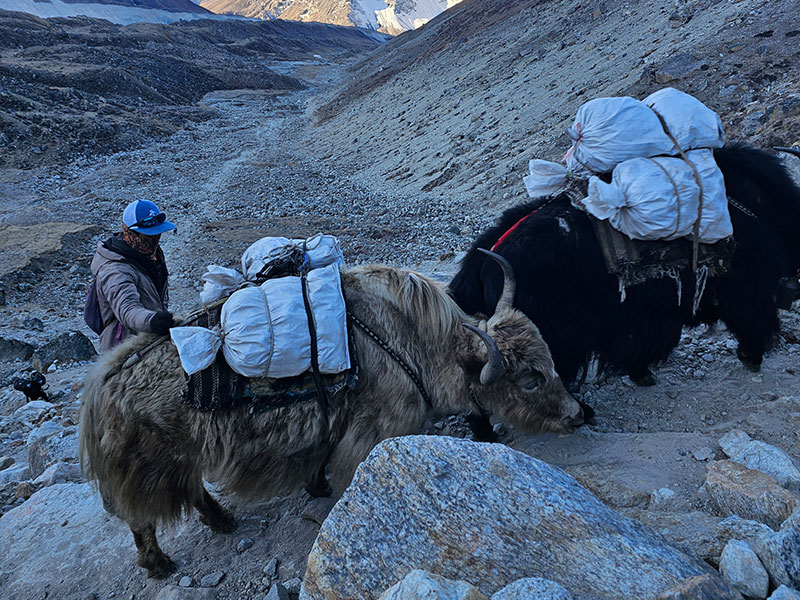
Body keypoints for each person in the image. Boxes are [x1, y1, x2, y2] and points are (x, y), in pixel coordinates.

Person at [90, 199, 176, 352]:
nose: (155, 240)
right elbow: (127, 310)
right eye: (148, 236)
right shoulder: (115, 270)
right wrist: (154, 321)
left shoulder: (150, 256)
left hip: (149, 342)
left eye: (157, 234)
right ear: (131, 233)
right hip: (122, 351)